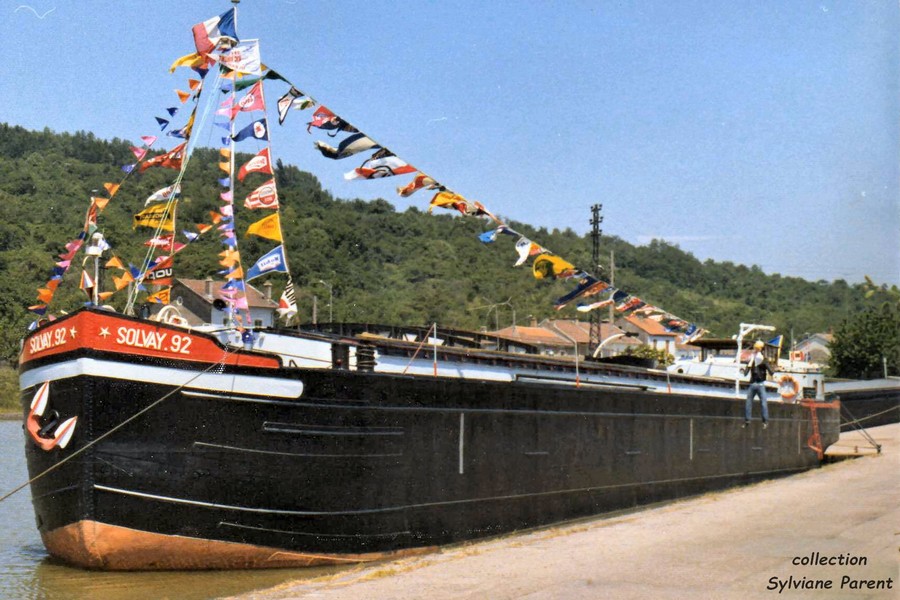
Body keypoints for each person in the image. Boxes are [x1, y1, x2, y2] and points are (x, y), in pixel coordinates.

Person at [742, 340, 775, 428]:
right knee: (762, 403)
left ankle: (749, 421)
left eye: (756, 348)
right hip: (757, 384)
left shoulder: (756, 360)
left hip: (755, 384)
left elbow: (746, 372)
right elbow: (771, 372)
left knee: (750, 403)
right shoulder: (758, 360)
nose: (755, 350)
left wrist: (744, 371)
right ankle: (763, 422)